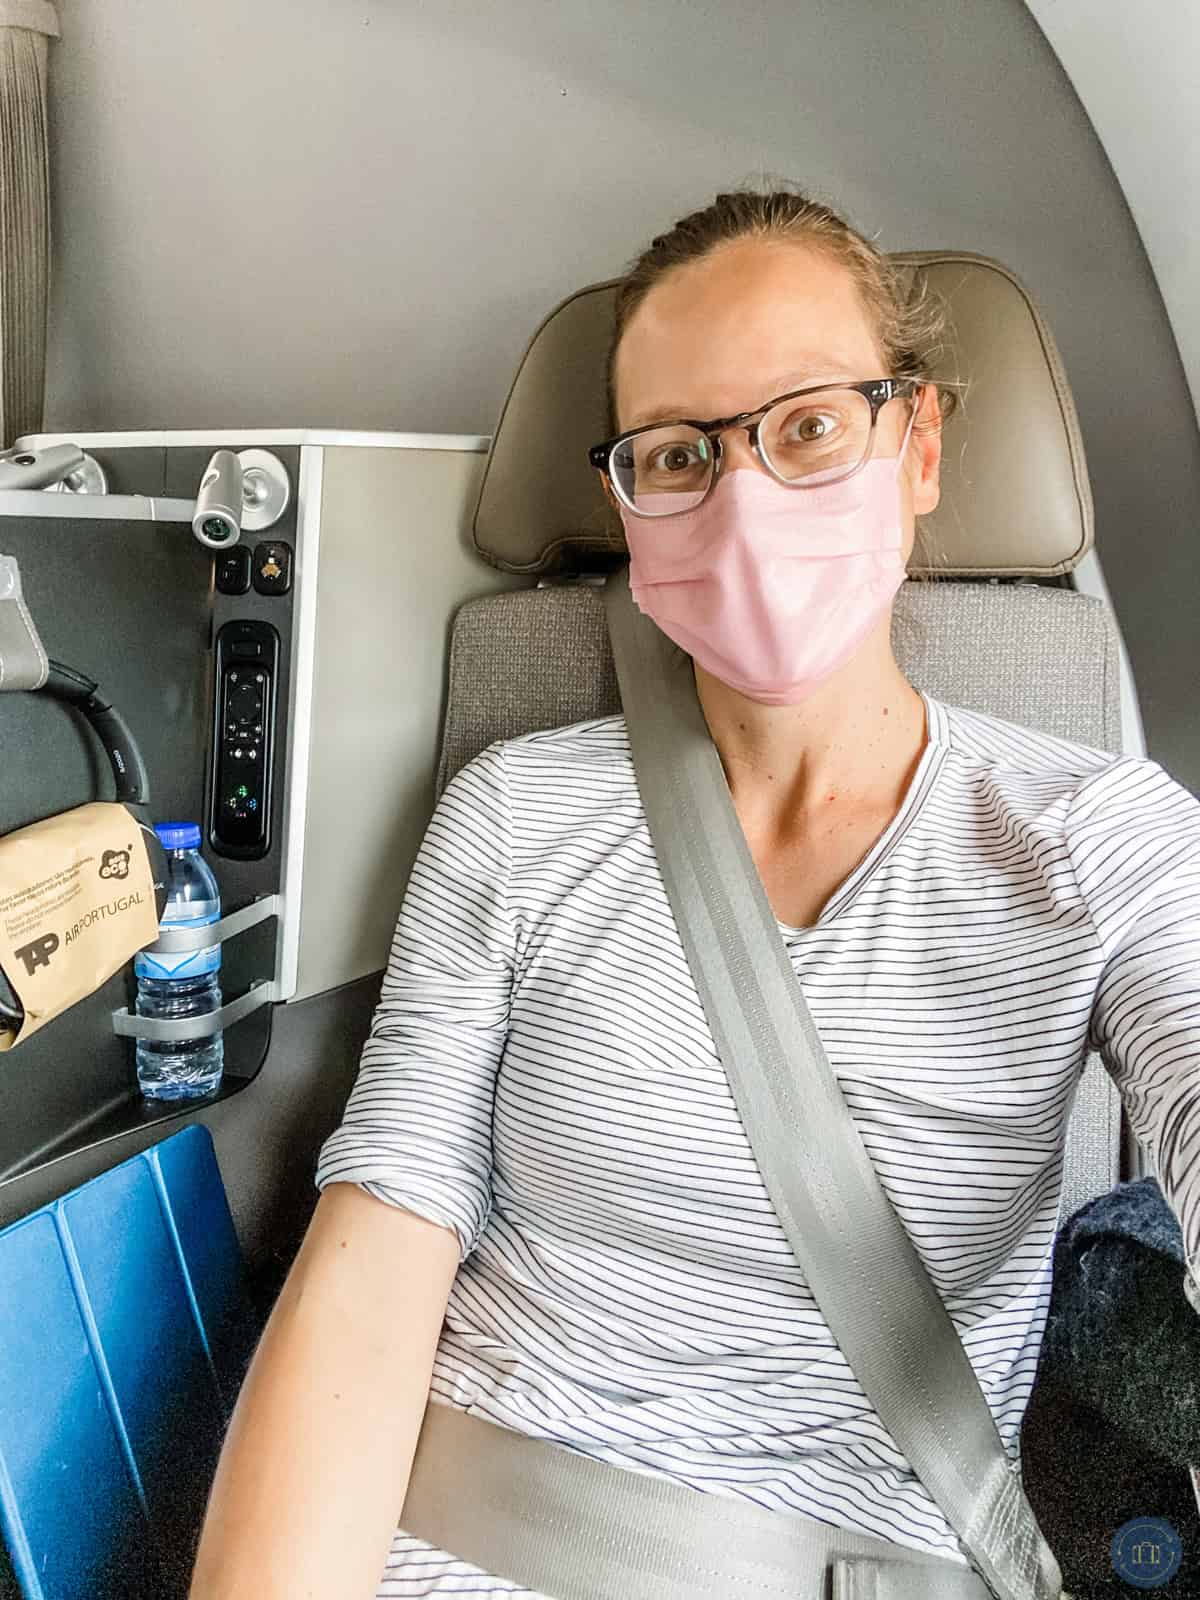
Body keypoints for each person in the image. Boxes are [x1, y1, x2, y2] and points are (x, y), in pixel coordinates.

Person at [188, 186, 1200, 1600]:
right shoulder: (516, 811)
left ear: (916, 446)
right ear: (627, 500)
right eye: (677, 455)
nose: (744, 500)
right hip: (446, 1532)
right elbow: (379, 1250)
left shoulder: (1095, 838)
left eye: (807, 428)